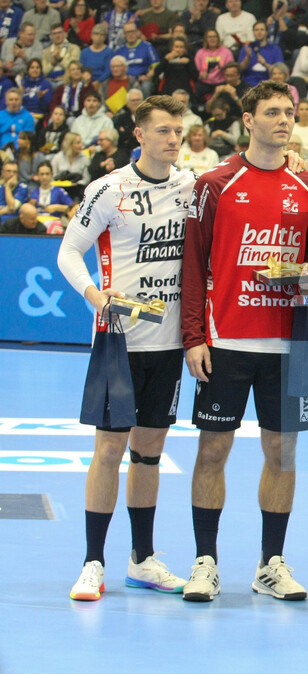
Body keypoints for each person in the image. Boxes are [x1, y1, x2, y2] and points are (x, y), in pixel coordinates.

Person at [180, 81, 308, 603]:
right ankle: (205, 562)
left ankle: (270, 564)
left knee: (282, 452)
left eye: (289, 112)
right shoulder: (215, 184)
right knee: (213, 450)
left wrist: (303, 269)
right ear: (248, 120)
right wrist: (194, 336)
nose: (284, 120)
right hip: (226, 339)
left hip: (289, 342)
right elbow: (193, 266)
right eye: (272, 112)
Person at [57, 94, 194, 602]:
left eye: (178, 131)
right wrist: (94, 294)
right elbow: (69, 250)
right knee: (109, 448)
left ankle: (143, 559)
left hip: (169, 341)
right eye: (163, 131)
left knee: (150, 452)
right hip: (120, 339)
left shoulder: (191, 186)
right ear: (140, 135)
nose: (174, 140)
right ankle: (93, 562)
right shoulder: (108, 189)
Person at [115, 22, 160, 96]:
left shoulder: (147, 46)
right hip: (126, 80)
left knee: (146, 86)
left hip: (143, 80)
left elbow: (156, 65)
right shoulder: (120, 50)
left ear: (137, 32)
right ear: (124, 34)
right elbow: (116, 69)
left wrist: (147, 76)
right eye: (127, 32)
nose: (130, 34)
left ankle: (145, 107)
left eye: (132, 31)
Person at [239, 21, 284, 88]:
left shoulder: (275, 49)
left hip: (269, 84)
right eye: (256, 30)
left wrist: (264, 64)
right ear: (253, 32)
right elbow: (240, 69)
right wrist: (248, 58)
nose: (259, 32)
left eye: (262, 30)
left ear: (266, 32)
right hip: (248, 84)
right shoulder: (246, 48)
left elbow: (280, 71)